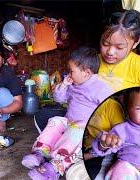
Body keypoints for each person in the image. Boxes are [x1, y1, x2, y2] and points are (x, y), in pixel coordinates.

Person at [65, 9, 140, 180]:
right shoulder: (92, 63)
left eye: (119, 47)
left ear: (136, 42)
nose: (110, 52)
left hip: (117, 146)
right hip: (89, 138)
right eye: (105, 43)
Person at [21, 47, 113, 179]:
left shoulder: (100, 87)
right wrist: (64, 85)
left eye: (71, 71)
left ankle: (54, 167)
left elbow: (109, 107)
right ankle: (40, 153)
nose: (69, 74)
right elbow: (59, 99)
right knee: (56, 120)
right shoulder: (73, 84)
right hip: (69, 122)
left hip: (85, 129)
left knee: (77, 130)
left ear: (87, 73)